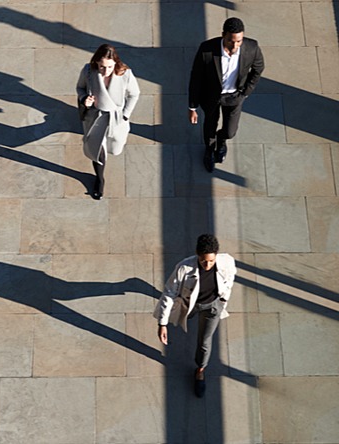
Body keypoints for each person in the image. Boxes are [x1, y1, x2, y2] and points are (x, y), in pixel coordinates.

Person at [154, 234, 237, 398]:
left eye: (211, 261)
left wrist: (224, 299)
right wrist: (162, 324)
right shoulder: (184, 268)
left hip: (213, 306)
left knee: (205, 341)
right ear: (197, 255)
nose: (207, 265)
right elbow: (169, 293)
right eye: (204, 261)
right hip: (189, 304)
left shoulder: (227, 261)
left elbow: (231, 277)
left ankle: (200, 370)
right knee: (180, 316)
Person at [188, 17, 265, 173]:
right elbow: (196, 78)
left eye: (239, 41)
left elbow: (258, 69)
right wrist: (192, 106)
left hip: (235, 96)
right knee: (210, 124)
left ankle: (221, 140)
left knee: (230, 131)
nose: (235, 45)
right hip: (211, 97)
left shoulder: (252, 47)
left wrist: (246, 92)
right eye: (231, 41)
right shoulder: (207, 49)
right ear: (223, 35)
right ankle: (209, 150)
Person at [77, 44, 140, 200]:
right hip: (95, 117)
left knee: (116, 147)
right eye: (102, 67)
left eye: (110, 67)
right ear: (96, 63)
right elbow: (80, 88)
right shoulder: (88, 71)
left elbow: (134, 94)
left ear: (115, 63)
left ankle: (100, 173)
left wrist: (125, 115)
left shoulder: (125, 74)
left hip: (116, 118)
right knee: (97, 150)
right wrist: (85, 99)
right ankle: (99, 179)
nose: (106, 71)